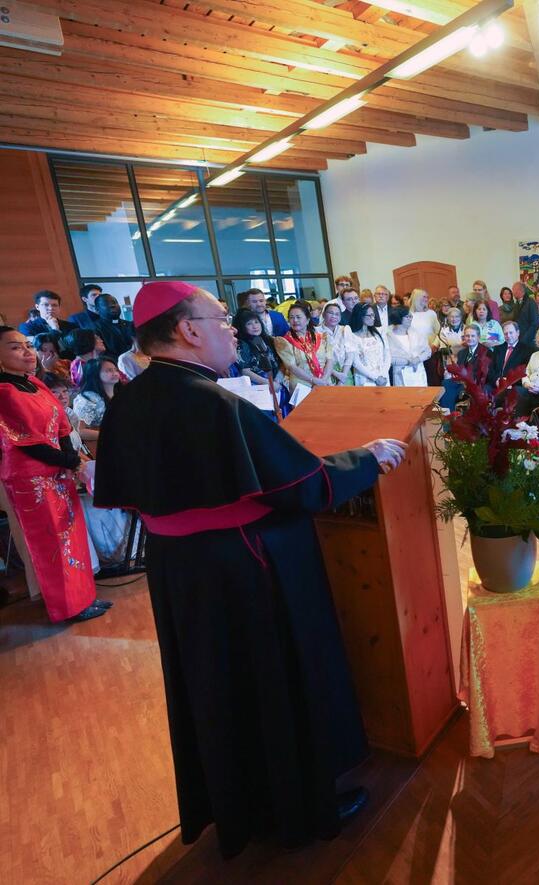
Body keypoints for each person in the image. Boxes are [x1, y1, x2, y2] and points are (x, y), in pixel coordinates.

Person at [93, 280, 405, 859]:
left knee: (216, 686)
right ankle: (301, 804)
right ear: (187, 330)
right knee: (275, 677)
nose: (232, 327)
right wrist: (370, 457)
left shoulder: (132, 399)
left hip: (179, 570)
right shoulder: (213, 401)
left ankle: (237, 803)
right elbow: (302, 485)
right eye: (219, 319)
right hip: (245, 563)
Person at [0, 326, 105, 622]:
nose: (26, 352)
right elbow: (29, 444)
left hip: (56, 469)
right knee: (51, 544)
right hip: (30, 477)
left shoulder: (36, 384)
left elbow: (60, 427)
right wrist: (71, 461)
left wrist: (69, 461)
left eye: (27, 346)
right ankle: (67, 607)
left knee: (70, 536)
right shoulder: (4, 392)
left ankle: (83, 598)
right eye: (14, 347)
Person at [275, 300, 332, 407]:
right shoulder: (284, 341)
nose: (295, 320)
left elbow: (329, 360)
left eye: (298, 317)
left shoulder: (322, 337)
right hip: (301, 385)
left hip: (324, 382)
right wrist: (313, 380)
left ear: (307, 319)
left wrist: (323, 380)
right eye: (291, 317)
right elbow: (291, 367)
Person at [438, 325, 493, 412]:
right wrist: (451, 374)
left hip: (475, 383)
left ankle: (450, 414)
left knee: (452, 388)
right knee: (446, 382)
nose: (469, 338)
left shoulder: (486, 352)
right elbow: (459, 370)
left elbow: (484, 374)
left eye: (473, 336)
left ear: (478, 337)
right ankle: (447, 414)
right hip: (461, 381)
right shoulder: (462, 353)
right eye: (467, 336)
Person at [72, 354, 123, 445]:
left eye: (116, 370)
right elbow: (80, 430)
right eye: (109, 370)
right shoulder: (87, 399)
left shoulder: (120, 393)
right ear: (95, 374)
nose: (115, 373)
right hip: (101, 443)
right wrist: (110, 434)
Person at [232, 307, 282, 388]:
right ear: (242, 327)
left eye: (256, 322)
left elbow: (279, 362)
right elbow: (245, 371)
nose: (255, 326)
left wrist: (278, 379)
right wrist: (269, 384)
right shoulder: (242, 344)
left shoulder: (268, 340)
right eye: (249, 324)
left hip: (275, 382)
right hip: (258, 386)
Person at [347, 302, 390, 387]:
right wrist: (375, 378)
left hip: (383, 377)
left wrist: (383, 374)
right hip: (365, 379)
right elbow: (356, 362)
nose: (373, 318)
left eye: (373, 315)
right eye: (369, 316)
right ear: (360, 316)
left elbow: (387, 355)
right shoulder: (352, 336)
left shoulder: (379, 332)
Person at [386, 306, 431, 387]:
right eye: (408, 316)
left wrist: (418, 359)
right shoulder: (389, 336)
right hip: (400, 373)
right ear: (399, 318)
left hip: (418, 372)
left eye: (411, 316)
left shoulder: (416, 333)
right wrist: (408, 361)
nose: (411, 318)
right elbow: (388, 358)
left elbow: (428, 351)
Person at [317, 302, 355, 386]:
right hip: (325, 374)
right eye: (330, 313)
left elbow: (350, 355)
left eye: (337, 314)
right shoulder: (316, 331)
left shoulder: (345, 329)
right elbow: (317, 358)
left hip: (344, 372)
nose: (334, 316)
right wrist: (335, 374)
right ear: (323, 315)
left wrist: (342, 377)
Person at [490, 319, 533, 386]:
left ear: (518, 333)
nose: (508, 336)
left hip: (514, 385)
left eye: (511, 332)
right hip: (496, 384)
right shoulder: (498, 348)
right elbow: (491, 369)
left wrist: (508, 382)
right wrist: (496, 380)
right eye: (505, 333)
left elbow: (525, 373)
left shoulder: (527, 350)